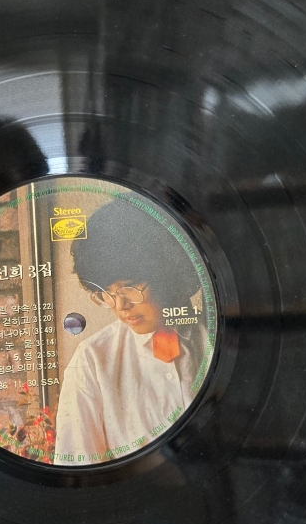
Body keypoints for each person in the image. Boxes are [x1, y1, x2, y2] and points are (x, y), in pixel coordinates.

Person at [53, 196, 211, 465]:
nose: (120, 306)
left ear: (165, 273)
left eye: (130, 286)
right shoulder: (92, 361)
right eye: (106, 293)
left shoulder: (214, 336)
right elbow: (78, 473)